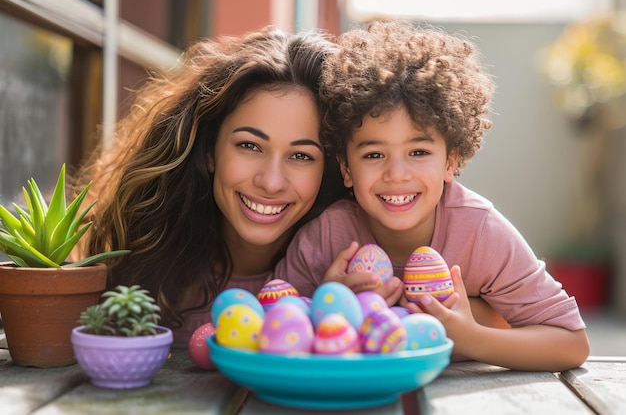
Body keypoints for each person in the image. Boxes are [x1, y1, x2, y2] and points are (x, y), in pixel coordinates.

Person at [274, 20, 590, 372]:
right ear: (346, 169)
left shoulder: (480, 232)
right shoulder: (326, 236)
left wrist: (472, 338)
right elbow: (271, 328)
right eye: (374, 155)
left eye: (419, 152)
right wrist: (324, 304)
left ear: (450, 161)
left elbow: (570, 343)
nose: (397, 174)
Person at [73, 26, 348, 346]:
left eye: (301, 155)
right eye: (249, 146)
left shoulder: (344, 273)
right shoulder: (149, 260)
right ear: (208, 151)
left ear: (330, 167)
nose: (271, 182)